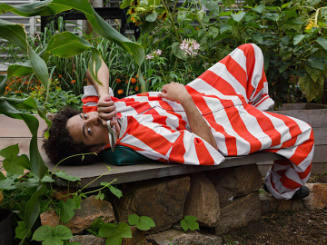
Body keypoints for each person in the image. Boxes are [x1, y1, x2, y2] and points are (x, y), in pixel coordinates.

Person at [43, 43, 314, 200]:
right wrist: (185, 100)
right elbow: (210, 152)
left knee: (249, 53)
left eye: (84, 116)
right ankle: (280, 188)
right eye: (89, 131)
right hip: (220, 123)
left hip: (205, 94)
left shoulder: (97, 110)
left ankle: (259, 113)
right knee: (304, 135)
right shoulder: (144, 140)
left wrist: (102, 92)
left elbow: (94, 60)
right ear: (95, 150)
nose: (94, 120)